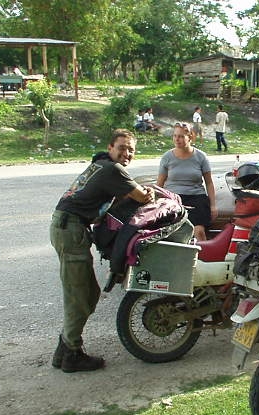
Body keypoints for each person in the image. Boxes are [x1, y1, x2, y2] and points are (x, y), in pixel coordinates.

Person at [50, 129, 154, 373]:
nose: (126, 153)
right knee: (81, 294)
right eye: (122, 147)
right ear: (110, 147)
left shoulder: (100, 165)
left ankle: (64, 350)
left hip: (67, 227)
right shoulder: (113, 170)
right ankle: (72, 353)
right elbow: (142, 196)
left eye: (131, 149)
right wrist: (147, 193)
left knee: (86, 292)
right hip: (70, 229)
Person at [157, 122, 217, 241]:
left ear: (190, 137)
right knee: (173, 232)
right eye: (175, 136)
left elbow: (209, 182)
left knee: (199, 231)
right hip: (173, 199)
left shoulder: (201, 157)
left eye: (180, 136)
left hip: (196, 198)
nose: (176, 139)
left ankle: (203, 257)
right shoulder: (167, 157)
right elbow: (160, 184)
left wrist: (213, 205)